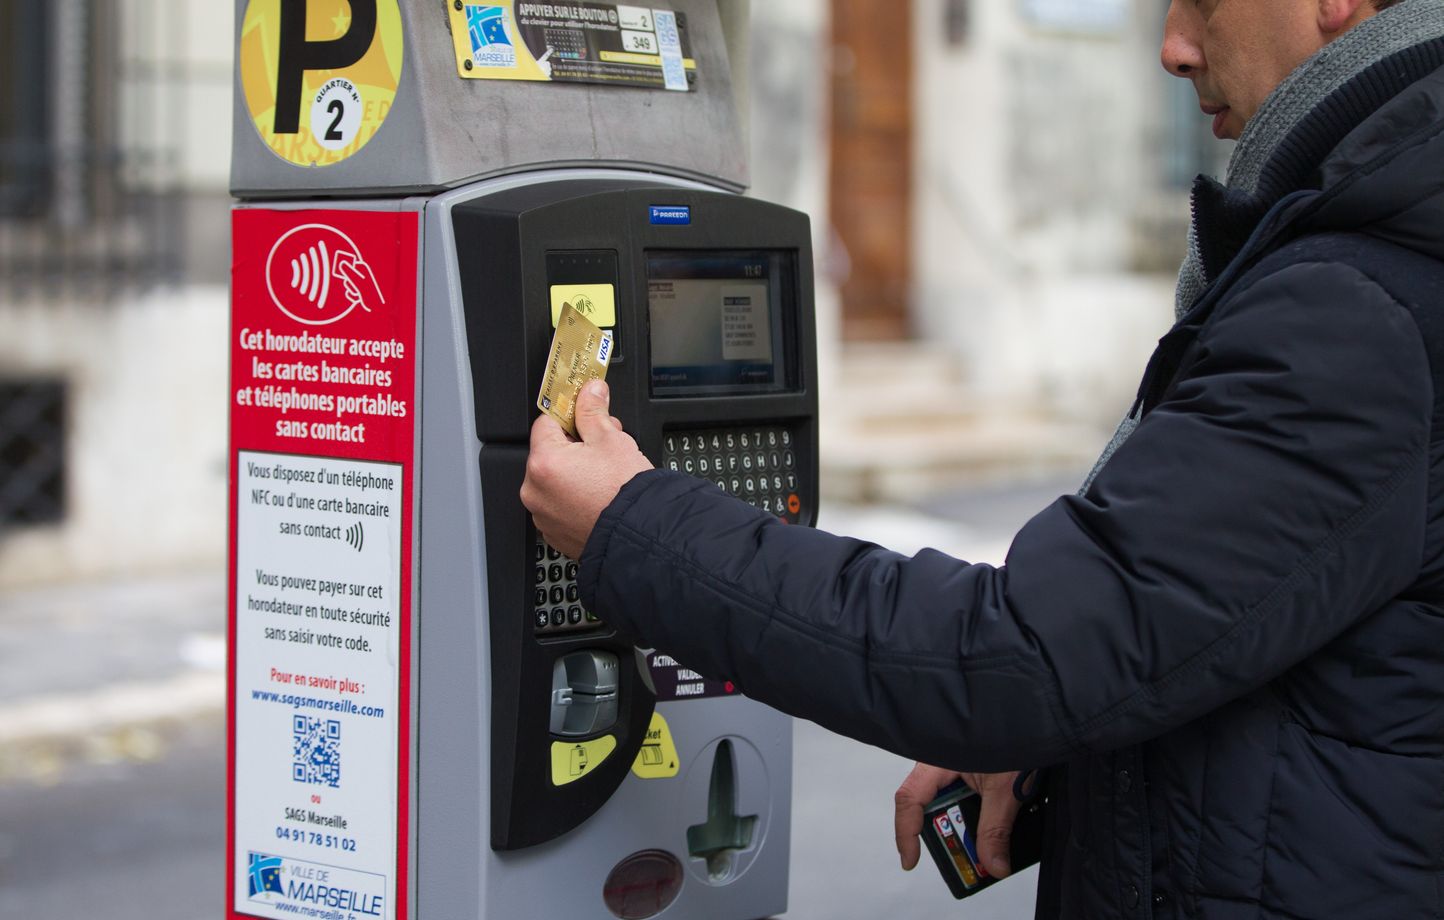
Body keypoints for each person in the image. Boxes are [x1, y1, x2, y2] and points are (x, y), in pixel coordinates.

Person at [522, 0, 1444, 915]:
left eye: (1200, 0)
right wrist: (1076, 730)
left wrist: (631, 526)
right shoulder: (1380, 255)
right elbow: (1209, 624)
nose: (1172, 47)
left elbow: (1017, 655)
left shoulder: (1358, 310)